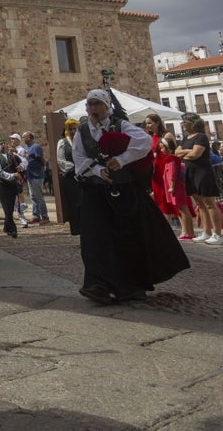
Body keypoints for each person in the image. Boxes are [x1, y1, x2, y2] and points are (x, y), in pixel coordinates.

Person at [72, 89, 189, 303]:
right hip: (95, 191)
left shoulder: (120, 125)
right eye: (91, 105)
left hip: (123, 190)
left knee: (127, 236)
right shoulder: (82, 131)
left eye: (98, 104)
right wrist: (98, 170)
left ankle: (131, 284)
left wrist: (122, 159)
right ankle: (97, 284)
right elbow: (78, 158)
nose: (94, 109)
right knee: (95, 239)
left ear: (107, 106)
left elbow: (143, 143)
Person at [175, 112, 223, 245]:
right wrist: (187, 152)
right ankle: (206, 231)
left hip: (203, 172)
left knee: (209, 203)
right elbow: (176, 152)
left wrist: (185, 152)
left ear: (192, 123)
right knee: (200, 204)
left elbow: (195, 154)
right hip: (190, 173)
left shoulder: (201, 137)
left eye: (184, 122)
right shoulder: (186, 138)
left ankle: (217, 234)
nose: (182, 124)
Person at [144, 113, 195, 240]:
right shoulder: (151, 137)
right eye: (147, 123)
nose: (147, 125)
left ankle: (186, 229)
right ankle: (166, 230)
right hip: (157, 173)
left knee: (175, 202)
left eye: (150, 122)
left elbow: (173, 152)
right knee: (161, 201)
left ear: (157, 123)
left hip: (167, 170)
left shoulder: (166, 135)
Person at [0, 139, 25, 238]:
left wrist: (21, 166)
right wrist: (12, 175)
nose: (2, 145)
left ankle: (6, 227)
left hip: (12, 185)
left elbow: (24, 161)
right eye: (0, 144)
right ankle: (12, 229)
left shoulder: (12, 155)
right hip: (1, 184)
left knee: (10, 207)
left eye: (3, 143)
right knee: (6, 206)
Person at [57, 118, 82, 235]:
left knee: (82, 201)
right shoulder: (63, 142)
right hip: (69, 176)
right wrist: (73, 166)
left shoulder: (80, 141)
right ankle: (75, 227)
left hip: (81, 175)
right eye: (70, 129)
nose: (72, 131)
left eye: (74, 129)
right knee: (73, 202)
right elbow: (60, 160)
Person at [22, 131, 50, 224]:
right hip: (29, 175)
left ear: (29, 138)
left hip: (37, 175)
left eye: (24, 137)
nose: (23, 139)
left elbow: (42, 160)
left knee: (39, 197)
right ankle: (36, 216)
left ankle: (45, 216)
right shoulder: (26, 148)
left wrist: (42, 168)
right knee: (33, 196)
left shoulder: (36, 147)